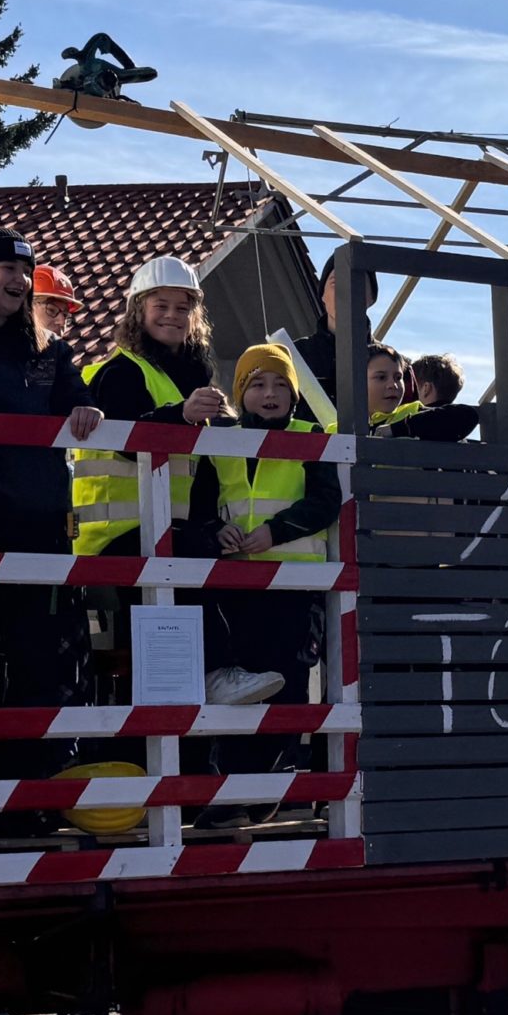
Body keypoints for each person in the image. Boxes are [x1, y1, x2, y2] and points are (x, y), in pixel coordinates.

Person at [0, 229, 102, 762]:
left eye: (26, 271)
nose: (21, 280)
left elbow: (79, 400)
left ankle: (41, 777)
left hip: (42, 524)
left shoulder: (48, 350)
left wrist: (87, 410)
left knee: (44, 653)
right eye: (8, 268)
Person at [187, 343, 345, 809]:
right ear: (240, 393)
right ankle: (238, 792)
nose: (269, 393)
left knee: (289, 684)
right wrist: (219, 532)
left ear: (295, 395)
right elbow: (200, 510)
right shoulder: (220, 440)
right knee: (243, 688)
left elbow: (324, 502)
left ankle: (269, 790)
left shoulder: (311, 434)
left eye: (280, 384)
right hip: (237, 590)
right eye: (257, 384)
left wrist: (273, 533)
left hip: (296, 589)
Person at [71, 255, 232, 557]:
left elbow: (201, 470)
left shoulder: (190, 379)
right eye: (161, 306)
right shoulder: (119, 372)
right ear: (137, 311)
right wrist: (183, 414)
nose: (172, 315)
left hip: (170, 531)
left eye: (182, 308)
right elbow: (128, 440)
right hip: (114, 540)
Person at [294, 261, 379, 402]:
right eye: (336, 283)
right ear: (323, 295)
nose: (346, 290)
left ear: (371, 298)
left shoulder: (395, 366)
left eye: (356, 281)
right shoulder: (294, 355)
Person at [395, 352, 483, 442]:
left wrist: (398, 427)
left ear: (426, 388)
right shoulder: (455, 427)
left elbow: (469, 414)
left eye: (412, 386)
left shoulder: (412, 416)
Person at [30, 263, 86, 353]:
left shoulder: (59, 361)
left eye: (65, 315)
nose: (62, 322)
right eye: (51, 310)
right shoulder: (2, 354)